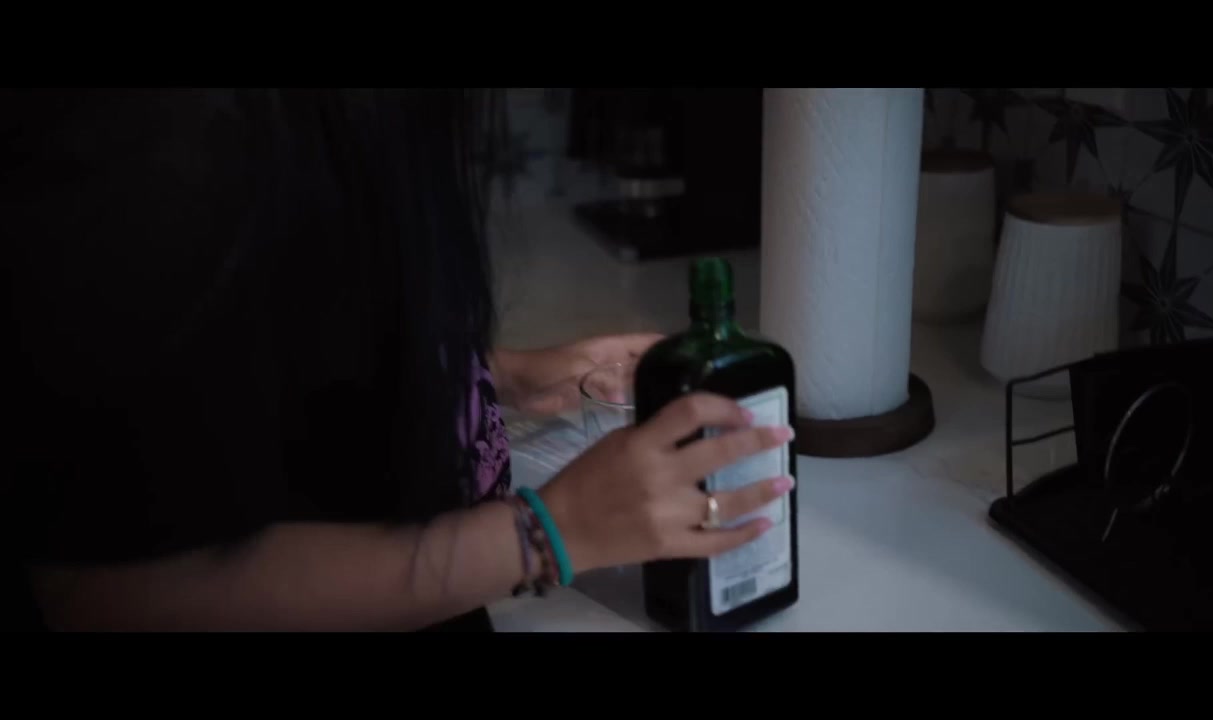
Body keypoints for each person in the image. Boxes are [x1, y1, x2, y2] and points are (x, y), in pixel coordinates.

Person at [0, 88, 793, 632]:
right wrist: (549, 533)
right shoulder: (159, 134)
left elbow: (272, 345)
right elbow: (113, 591)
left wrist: (496, 374)